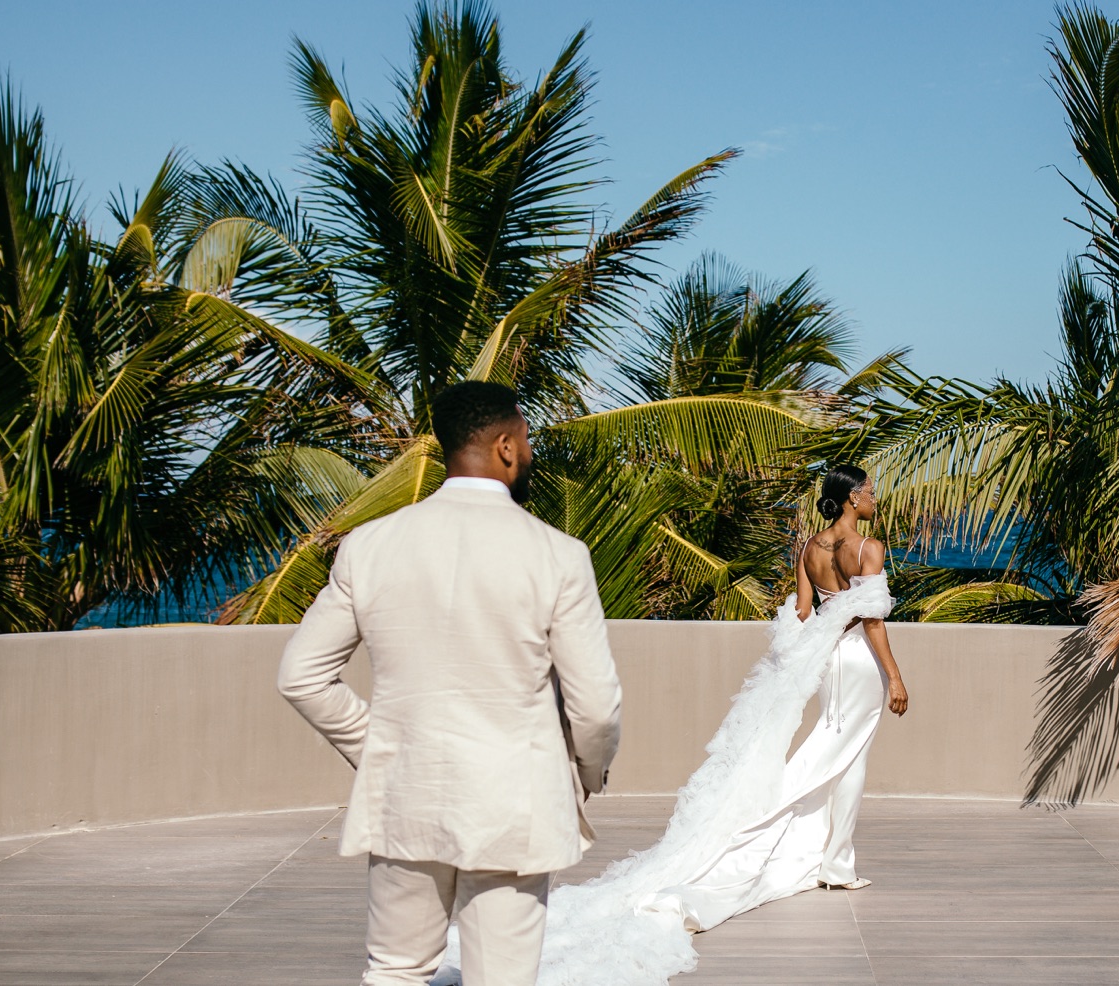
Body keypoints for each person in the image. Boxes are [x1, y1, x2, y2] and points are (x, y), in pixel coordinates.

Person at [505, 463, 906, 986]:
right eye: (870, 492)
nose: (875, 499)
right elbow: (873, 620)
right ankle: (834, 863)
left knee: (835, 749)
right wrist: (895, 677)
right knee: (847, 756)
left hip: (824, 662)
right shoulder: (868, 548)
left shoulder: (809, 548)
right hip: (857, 660)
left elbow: (803, 614)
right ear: (852, 499)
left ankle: (832, 859)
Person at [276, 380, 622, 986]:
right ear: (507, 447)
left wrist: (379, 746)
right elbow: (593, 705)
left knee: (395, 971)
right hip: (515, 801)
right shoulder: (558, 554)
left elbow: (301, 676)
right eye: (527, 439)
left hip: (406, 790)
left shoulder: (370, 545)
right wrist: (587, 773)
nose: (530, 452)